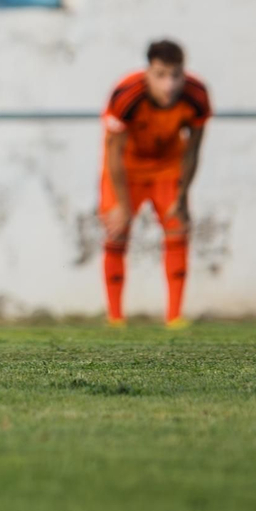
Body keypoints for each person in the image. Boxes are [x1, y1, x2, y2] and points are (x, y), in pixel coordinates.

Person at [99, 39, 212, 328]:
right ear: (148, 71)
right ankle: (115, 318)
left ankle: (174, 317)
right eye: (161, 75)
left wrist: (183, 196)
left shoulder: (197, 96)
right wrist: (122, 206)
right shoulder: (126, 95)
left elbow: (193, 150)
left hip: (167, 168)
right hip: (127, 170)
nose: (169, 85)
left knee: (178, 228)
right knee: (116, 231)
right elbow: (113, 152)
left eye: (176, 75)